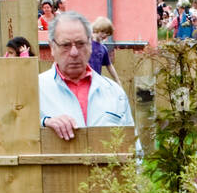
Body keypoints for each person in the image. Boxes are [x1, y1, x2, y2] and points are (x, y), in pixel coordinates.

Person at [39, 11, 134, 140]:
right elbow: (14, 135)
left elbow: (133, 147)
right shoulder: (35, 90)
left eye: (80, 44)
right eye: (65, 45)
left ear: (90, 44)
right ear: (52, 47)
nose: (74, 52)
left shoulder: (114, 93)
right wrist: (43, 122)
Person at [89, 16, 122, 85]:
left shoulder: (103, 49)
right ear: (96, 29)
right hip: (84, 80)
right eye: (103, 32)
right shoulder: (87, 44)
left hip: (96, 82)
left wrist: (117, 80)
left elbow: (109, 66)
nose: (104, 35)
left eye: (107, 33)